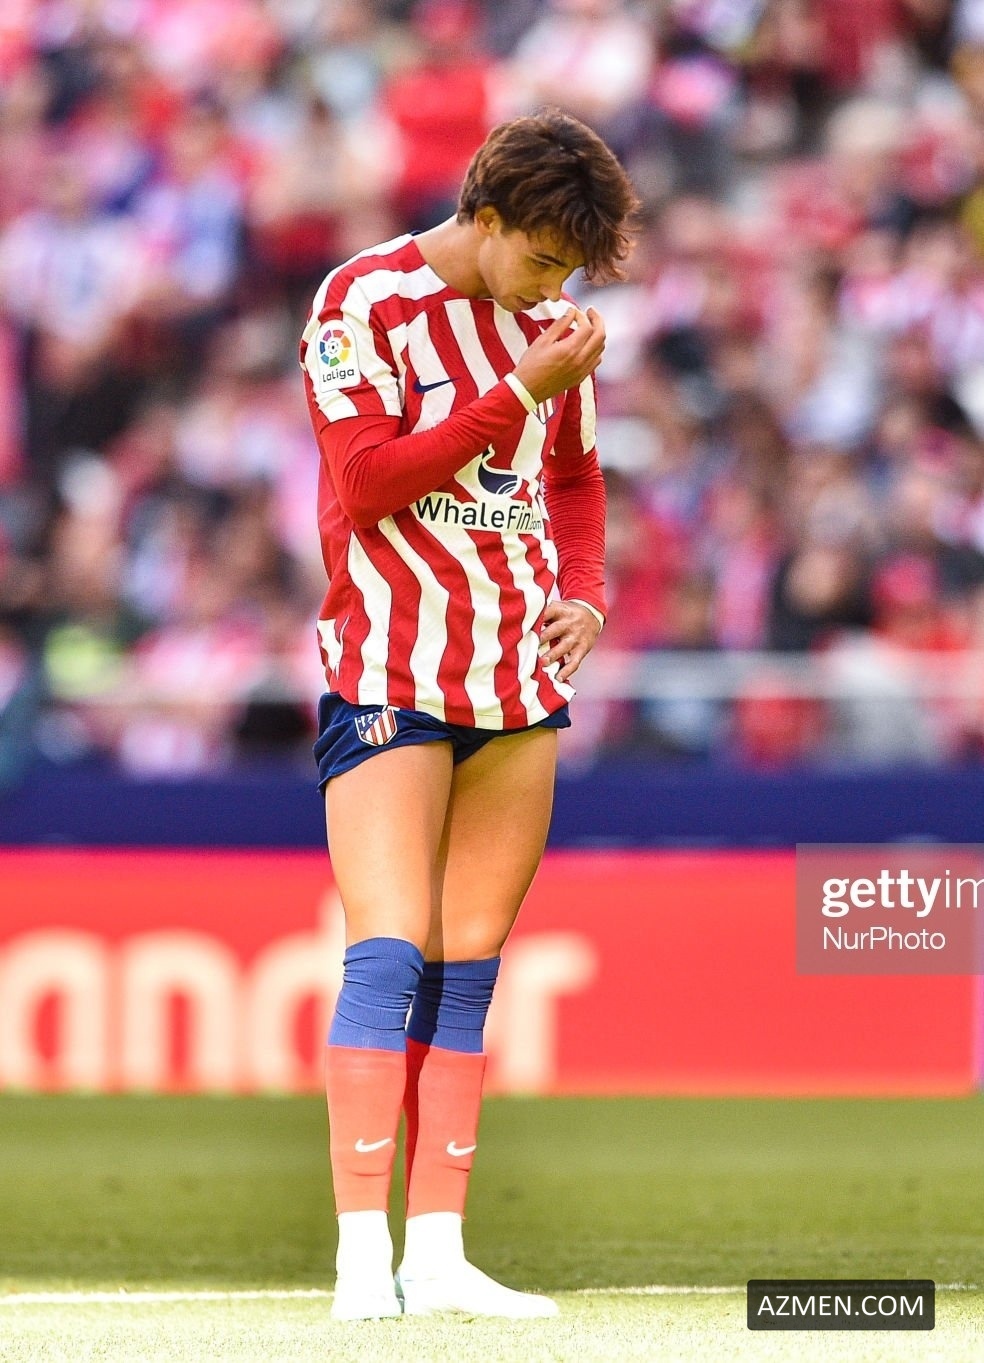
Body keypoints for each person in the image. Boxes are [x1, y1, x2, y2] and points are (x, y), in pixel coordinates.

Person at [299, 108, 637, 1321]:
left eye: (572, 269)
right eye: (542, 257)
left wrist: (585, 594)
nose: (555, 285)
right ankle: (361, 1258)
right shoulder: (364, 302)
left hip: (517, 679)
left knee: (467, 969)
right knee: (386, 950)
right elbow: (369, 483)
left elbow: (575, 478)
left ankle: (436, 1253)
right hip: (392, 666)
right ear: (483, 216)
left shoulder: (552, 327)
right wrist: (518, 388)